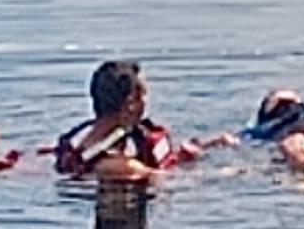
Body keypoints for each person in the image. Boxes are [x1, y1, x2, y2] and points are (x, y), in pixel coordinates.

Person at [54, 60, 197, 179]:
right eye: (144, 94)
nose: (147, 100)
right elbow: (166, 178)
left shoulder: (77, 139)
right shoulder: (121, 165)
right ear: (130, 104)